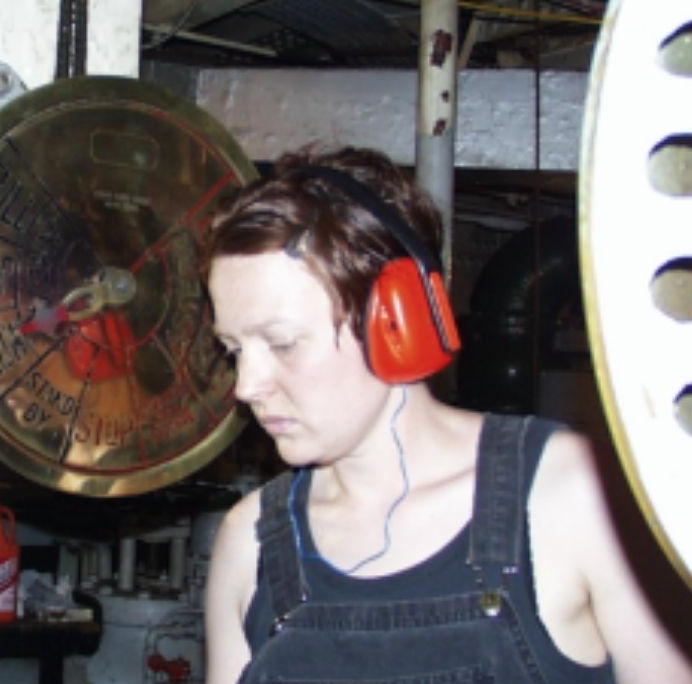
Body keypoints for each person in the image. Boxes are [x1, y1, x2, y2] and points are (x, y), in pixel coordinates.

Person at [201, 146, 692, 683]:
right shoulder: (249, 541)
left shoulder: (571, 494)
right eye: (233, 349)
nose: (247, 386)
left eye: (283, 343)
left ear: (398, 321)